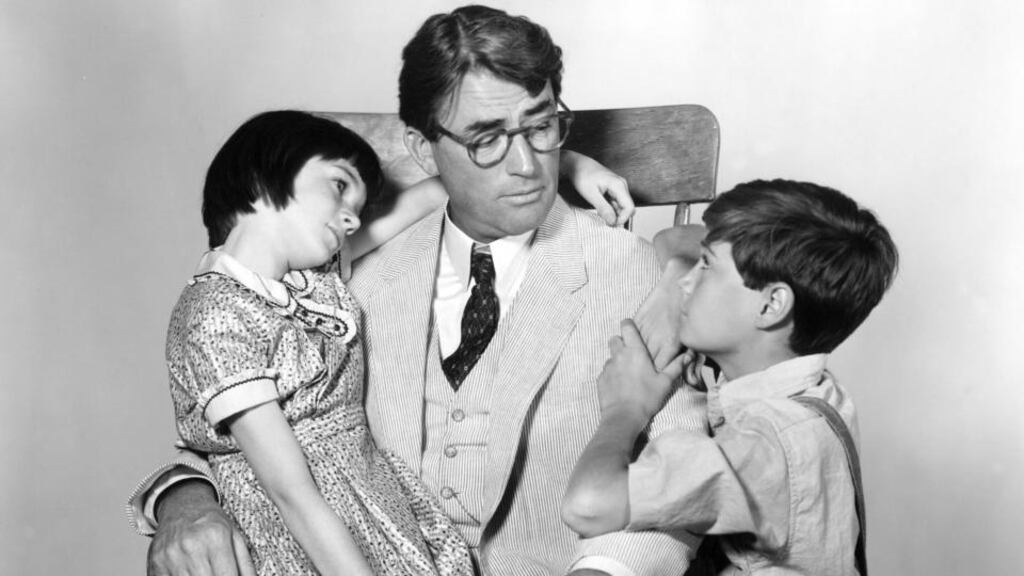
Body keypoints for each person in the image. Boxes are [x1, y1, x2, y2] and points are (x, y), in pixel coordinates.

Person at [131, 5, 707, 575]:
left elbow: (678, 466)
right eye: (487, 139)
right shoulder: (340, 279)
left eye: (542, 125)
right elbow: (228, 415)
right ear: (422, 149)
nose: (529, 166)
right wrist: (183, 500)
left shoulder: (642, 273)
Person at [561, 179, 899, 575]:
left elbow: (587, 504)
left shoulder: (765, 448)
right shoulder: (811, 392)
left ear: (772, 304)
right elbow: (677, 237)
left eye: (706, 266)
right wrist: (673, 292)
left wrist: (624, 409)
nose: (688, 278)